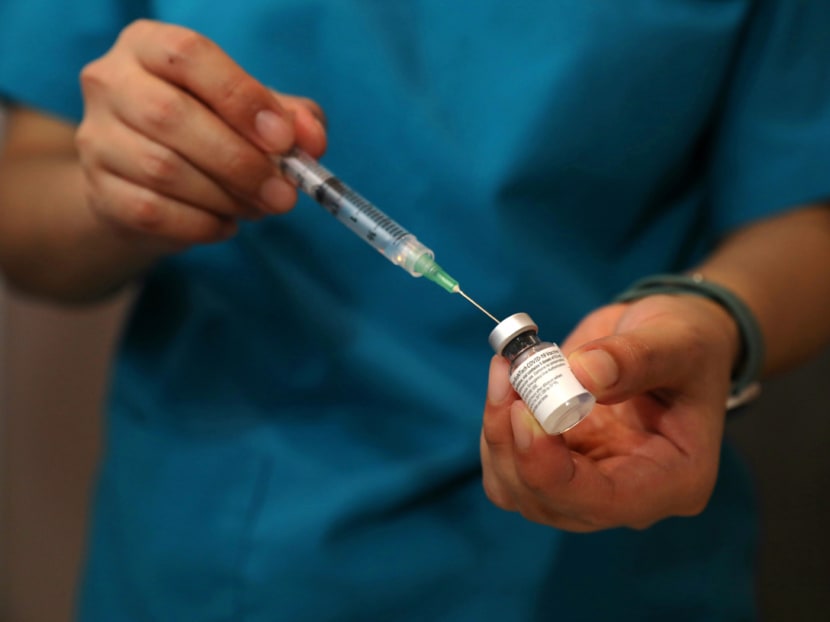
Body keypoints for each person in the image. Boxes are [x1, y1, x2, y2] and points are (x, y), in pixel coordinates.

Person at [1, 1, 829, 620]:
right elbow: (24, 197)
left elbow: (805, 207)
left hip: (607, 559)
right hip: (233, 553)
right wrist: (119, 192)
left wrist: (714, 316)